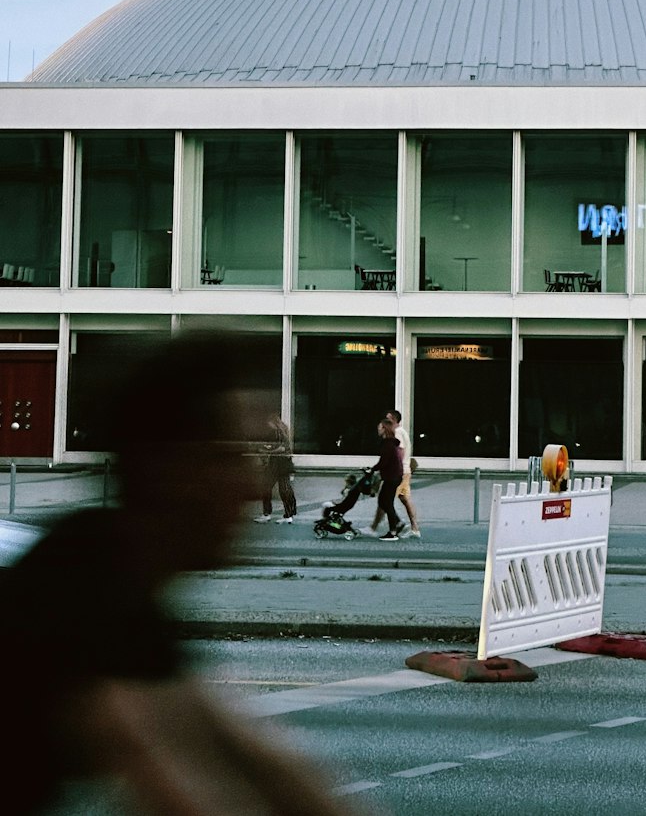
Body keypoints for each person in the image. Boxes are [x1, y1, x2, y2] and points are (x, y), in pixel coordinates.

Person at [0, 333, 366, 815]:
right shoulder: (76, 597)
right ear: (169, 466)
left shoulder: (118, 576)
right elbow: (173, 785)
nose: (253, 484)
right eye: (232, 457)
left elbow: (251, 755)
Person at [368, 408, 421, 538]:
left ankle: (378, 527)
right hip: (404, 470)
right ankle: (414, 528)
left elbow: (399, 452)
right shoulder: (402, 432)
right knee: (403, 499)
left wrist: (393, 468)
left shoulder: (396, 433)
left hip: (399, 472)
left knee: (385, 501)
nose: (384, 421)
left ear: (393, 420)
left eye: (387, 418)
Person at [255, 412, 297, 523]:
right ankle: (288, 515)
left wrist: (267, 450)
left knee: (267, 487)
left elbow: (281, 448)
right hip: (284, 464)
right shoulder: (284, 431)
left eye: (269, 423)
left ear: (272, 423)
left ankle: (267, 513)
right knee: (284, 490)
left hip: (277, 464)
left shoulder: (277, 433)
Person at [371, 415, 405, 541]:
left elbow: (383, 462)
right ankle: (397, 523)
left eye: (380, 428)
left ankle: (393, 531)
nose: (378, 430)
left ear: (385, 429)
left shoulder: (387, 444)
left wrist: (372, 469)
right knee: (383, 501)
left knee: (387, 503)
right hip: (394, 476)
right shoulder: (391, 443)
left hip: (392, 477)